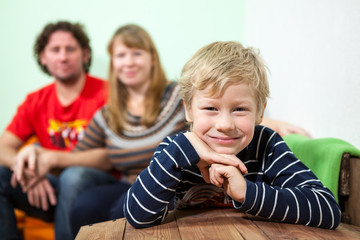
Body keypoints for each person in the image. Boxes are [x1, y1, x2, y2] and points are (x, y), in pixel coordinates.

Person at [123, 41, 341, 229]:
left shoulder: (267, 146)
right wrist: (179, 152)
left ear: (260, 112)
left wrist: (247, 192)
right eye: (210, 108)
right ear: (189, 109)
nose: (225, 124)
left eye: (239, 109)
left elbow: (328, 210)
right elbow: (137, 217)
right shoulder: (176, 150)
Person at [0, 21, 108, 240]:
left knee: (73, 176)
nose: (63, 57)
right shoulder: (35, 101)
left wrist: (51, 160)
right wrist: (28, 173)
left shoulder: (106, 93)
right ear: (43, 58)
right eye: (55, 50)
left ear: (85, 55)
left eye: (70, 49)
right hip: (48, 190)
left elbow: (112, 157)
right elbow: (3, 147)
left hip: (95, 187)